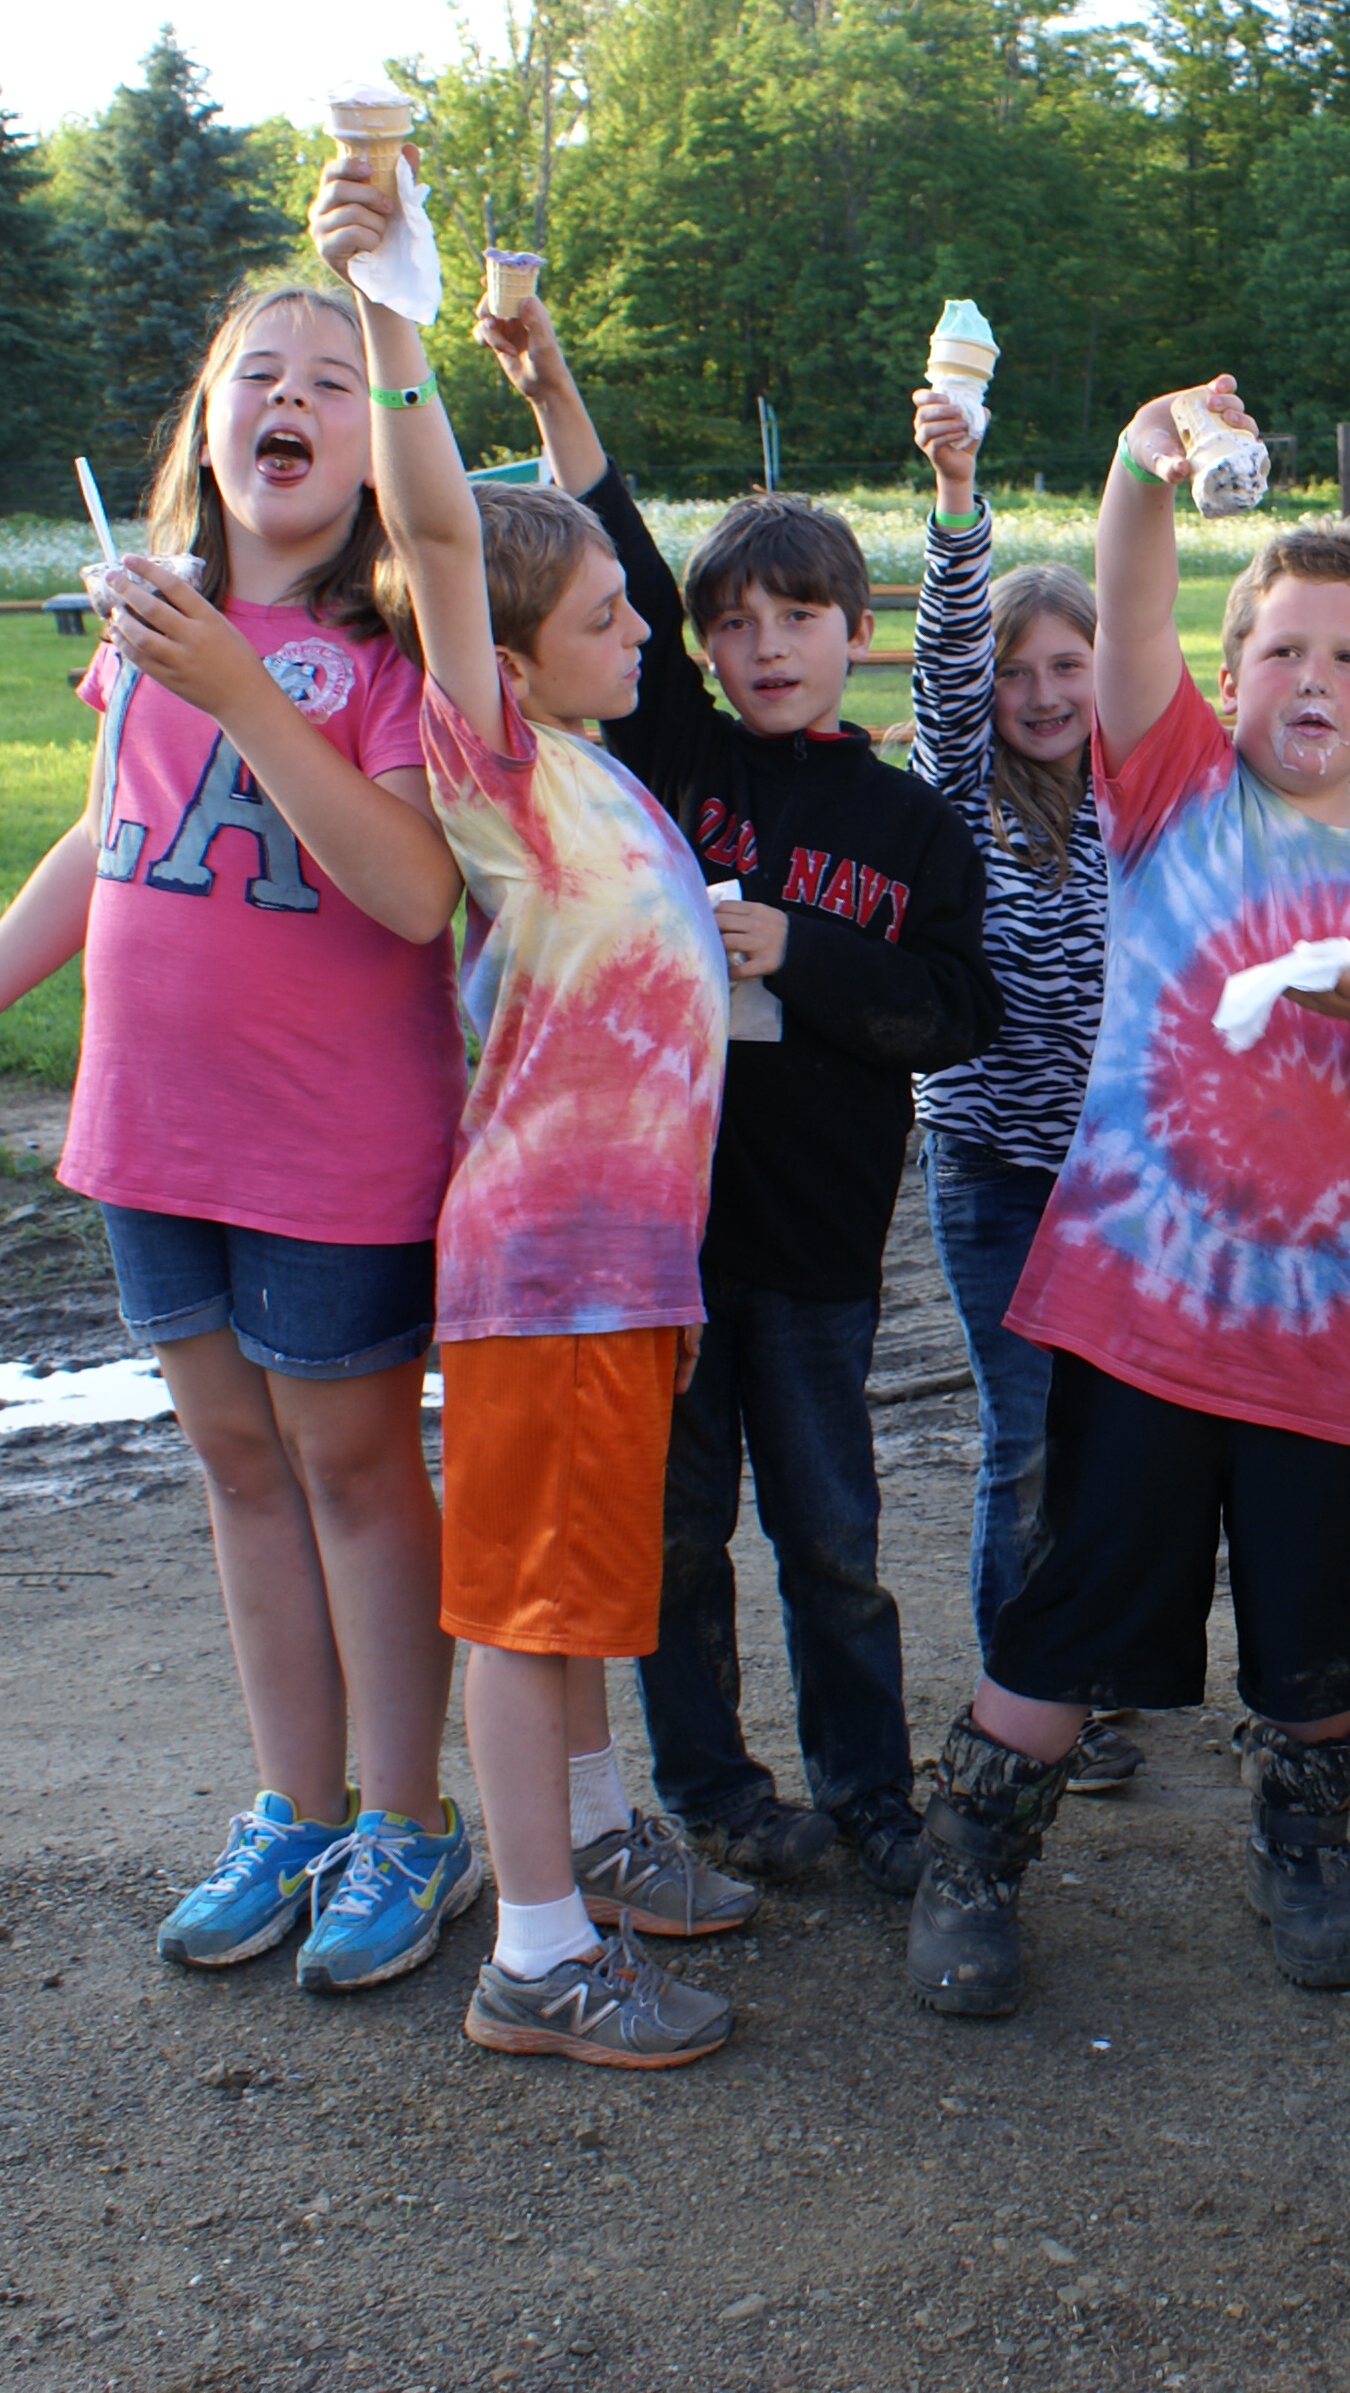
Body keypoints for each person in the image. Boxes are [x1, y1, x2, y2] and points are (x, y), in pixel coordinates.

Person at [0, 282, 478, 1994]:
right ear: (207, 424)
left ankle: (409, 1823)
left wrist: (246, 689)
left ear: (372, 445)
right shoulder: (156, 620)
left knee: (350, 1470)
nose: (293, 397)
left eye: (334, 381)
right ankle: (295, 1805)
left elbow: (413, 890)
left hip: (331, 1144)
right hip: (153, 1130)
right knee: (240, 1469)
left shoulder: (390, 647)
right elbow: (111, 822)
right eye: (260, 373)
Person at [903, 378, 1350, 2017]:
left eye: (1348, 658)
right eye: (1281, 653)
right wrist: (1136, 462)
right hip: (1140, 1321)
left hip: (1328, 1351)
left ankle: (1302, 1837)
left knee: (1316, 1638)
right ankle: (974, 1852)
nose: (1313, 677)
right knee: (1071, 1604)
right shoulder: (1170, 794)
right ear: (1221, 686)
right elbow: (1135, 589)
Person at [475, 302, 999, 1903]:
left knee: (834, 1544)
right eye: (736, 623)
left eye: (802, 617)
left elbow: (957, 1013)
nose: (767, 647)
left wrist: (809, 947)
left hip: (821, 1255)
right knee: (677, 1539)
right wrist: (553, 385)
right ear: (694, 644)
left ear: (860, 631)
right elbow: (608, 550)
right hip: (663, 1248)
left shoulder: (906, 823)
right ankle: (713, 1794)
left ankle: (869, 1791)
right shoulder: (676, 763)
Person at [320, 150, 739, 2067]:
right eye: (606, 618)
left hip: (625, 1261)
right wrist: (396, 314)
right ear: (507, 645)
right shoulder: (486, 748)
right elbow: (438, 527)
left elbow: (553, 543)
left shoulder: (590, 772)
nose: (642, 630)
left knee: (576, 1586)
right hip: (550, 1263)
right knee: (522, 1597)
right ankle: (540, 1954)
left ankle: (583, 1841)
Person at [902, 383, 1142, 1798]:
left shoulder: (1141, 795)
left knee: (1118, 1439)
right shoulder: (957, 795)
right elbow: (942, 664)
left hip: (1125, 1174)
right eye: (1017, 670)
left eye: (1069, 666)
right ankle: (1022, 1695)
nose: (1043, 695)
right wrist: (956, 501)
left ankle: (1093, 1676)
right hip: (992, 1165)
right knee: (1025, 1436)